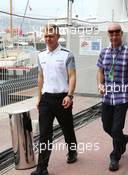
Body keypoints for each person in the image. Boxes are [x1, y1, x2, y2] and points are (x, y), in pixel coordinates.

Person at [31, 24, 78, 175]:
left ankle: (72, 152)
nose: (48, 38)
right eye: (46, 36)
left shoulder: (67, 54)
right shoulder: (41, 55)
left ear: (58, 37)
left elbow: (72, 76)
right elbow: (40, 77)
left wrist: (69, 95)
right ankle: (42, 168)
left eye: (51, 36)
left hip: (62, 98)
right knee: (45, 134)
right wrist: (39, 97)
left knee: (67, 129)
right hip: (46, 99)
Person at [96, 23, 128, 171]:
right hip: (107, 96)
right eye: (111, 33)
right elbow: (100, 71)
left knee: (116, 128)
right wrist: (100, 84)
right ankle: (123, 139)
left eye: (116, 33)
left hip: (122, 96)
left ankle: (115, 156)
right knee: (106, 126)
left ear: (121, 34)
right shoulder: (103, 52)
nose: (114, 35)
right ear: (108, 35)